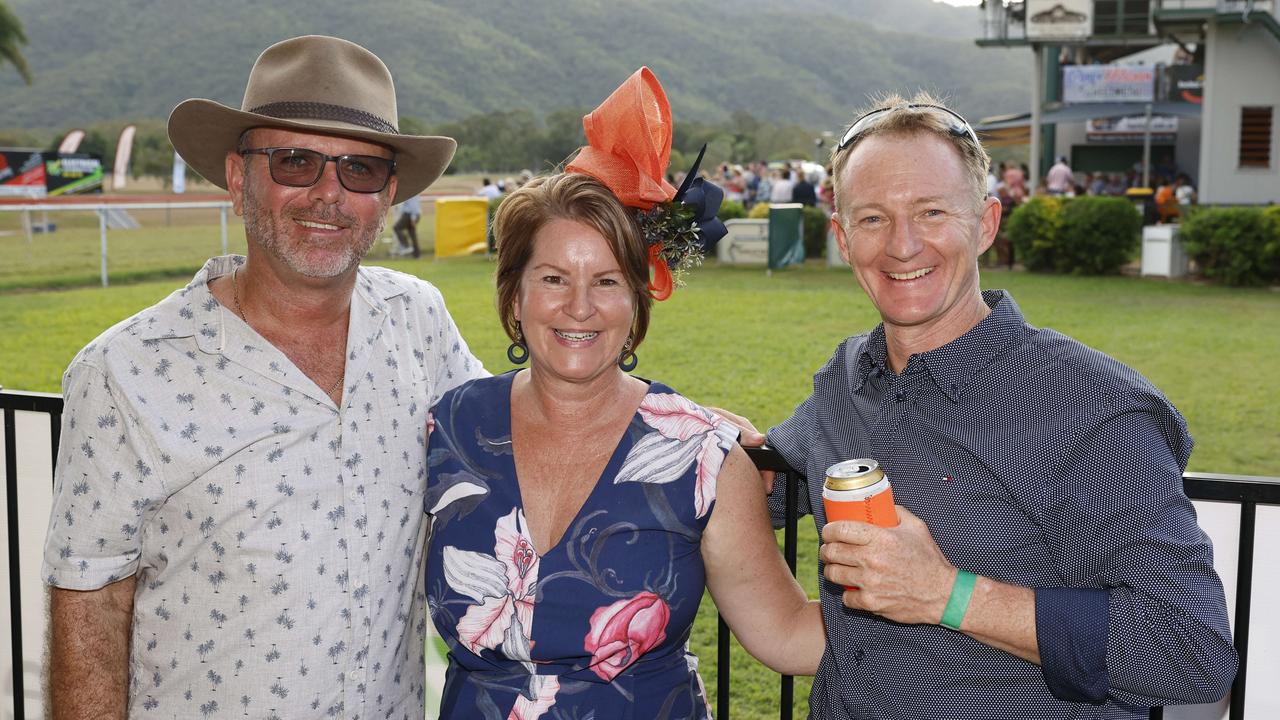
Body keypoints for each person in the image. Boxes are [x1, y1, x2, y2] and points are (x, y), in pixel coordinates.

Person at [41, 35, 487, 719]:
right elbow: (89, 607)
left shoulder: (417, 321)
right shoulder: (124, 372)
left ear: (388, 193)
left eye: (360, 171)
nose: (328, 195)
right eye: (296, 161)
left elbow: (517, 431)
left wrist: (682, 433)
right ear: (237, 176)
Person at [754, 94, 1236, 718]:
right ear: (843, 239)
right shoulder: (849, 377)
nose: (903, 246)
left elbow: (1190, 653)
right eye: (873, 219)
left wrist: (947, 596)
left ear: (984, 224)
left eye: (930, 212)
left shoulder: (1088, 405)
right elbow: (773, 482)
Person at [424, 68, 822, 719]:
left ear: (638, 300)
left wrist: (943, 600)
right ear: (514, 296)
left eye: (607, 281)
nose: (579, 307)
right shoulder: (448, 430)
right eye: (554, 277)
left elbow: (784, 632)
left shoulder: (705, 458)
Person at [392, 192, 422, 257]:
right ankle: (416, 254)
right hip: (413, 215)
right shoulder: (414, 191)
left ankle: (406, 246)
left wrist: (413, 218)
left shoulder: (411, 193)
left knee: (396, 227)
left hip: (409, 215)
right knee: (412, 234)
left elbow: (414, 206)